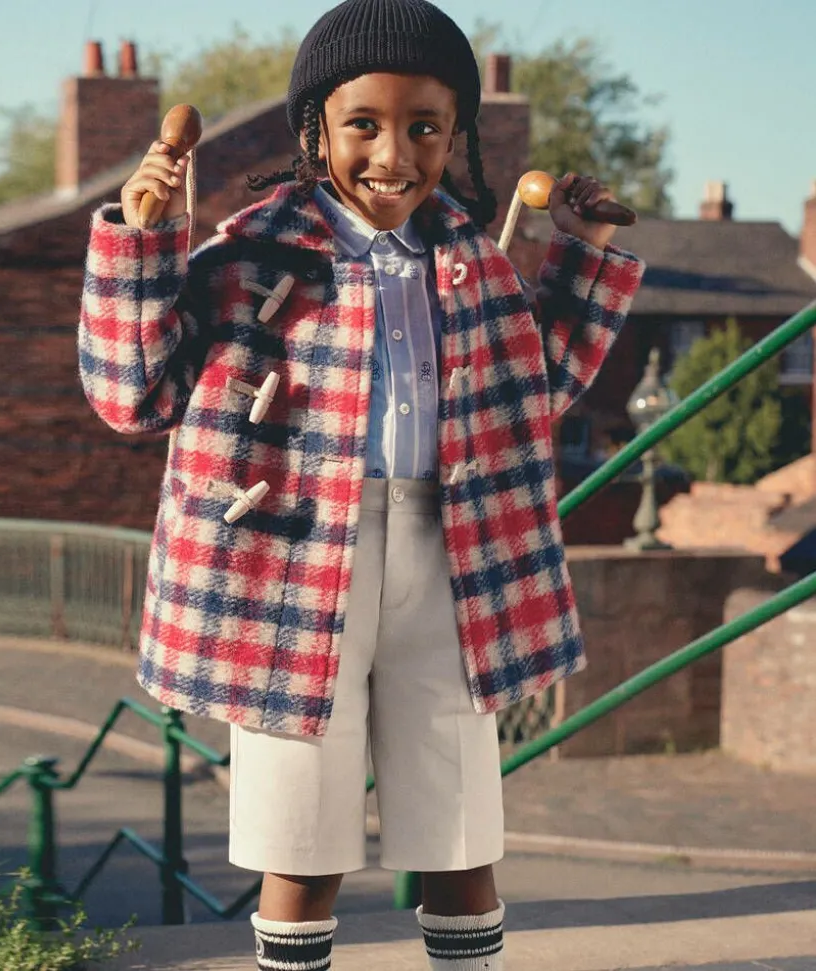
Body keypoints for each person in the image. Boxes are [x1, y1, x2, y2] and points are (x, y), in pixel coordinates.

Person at [78, 0, 645, 966]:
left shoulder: (474, 260)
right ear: (316, 131)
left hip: (455, 548)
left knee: (461, 824)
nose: (395, 154)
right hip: (286, 564)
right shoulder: (248, 252)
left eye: (425, 127)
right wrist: (142, 242)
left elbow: (535, 389)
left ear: (455, 135)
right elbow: (132, 397)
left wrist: (583, 251)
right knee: (299, 832)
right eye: (364, 125)